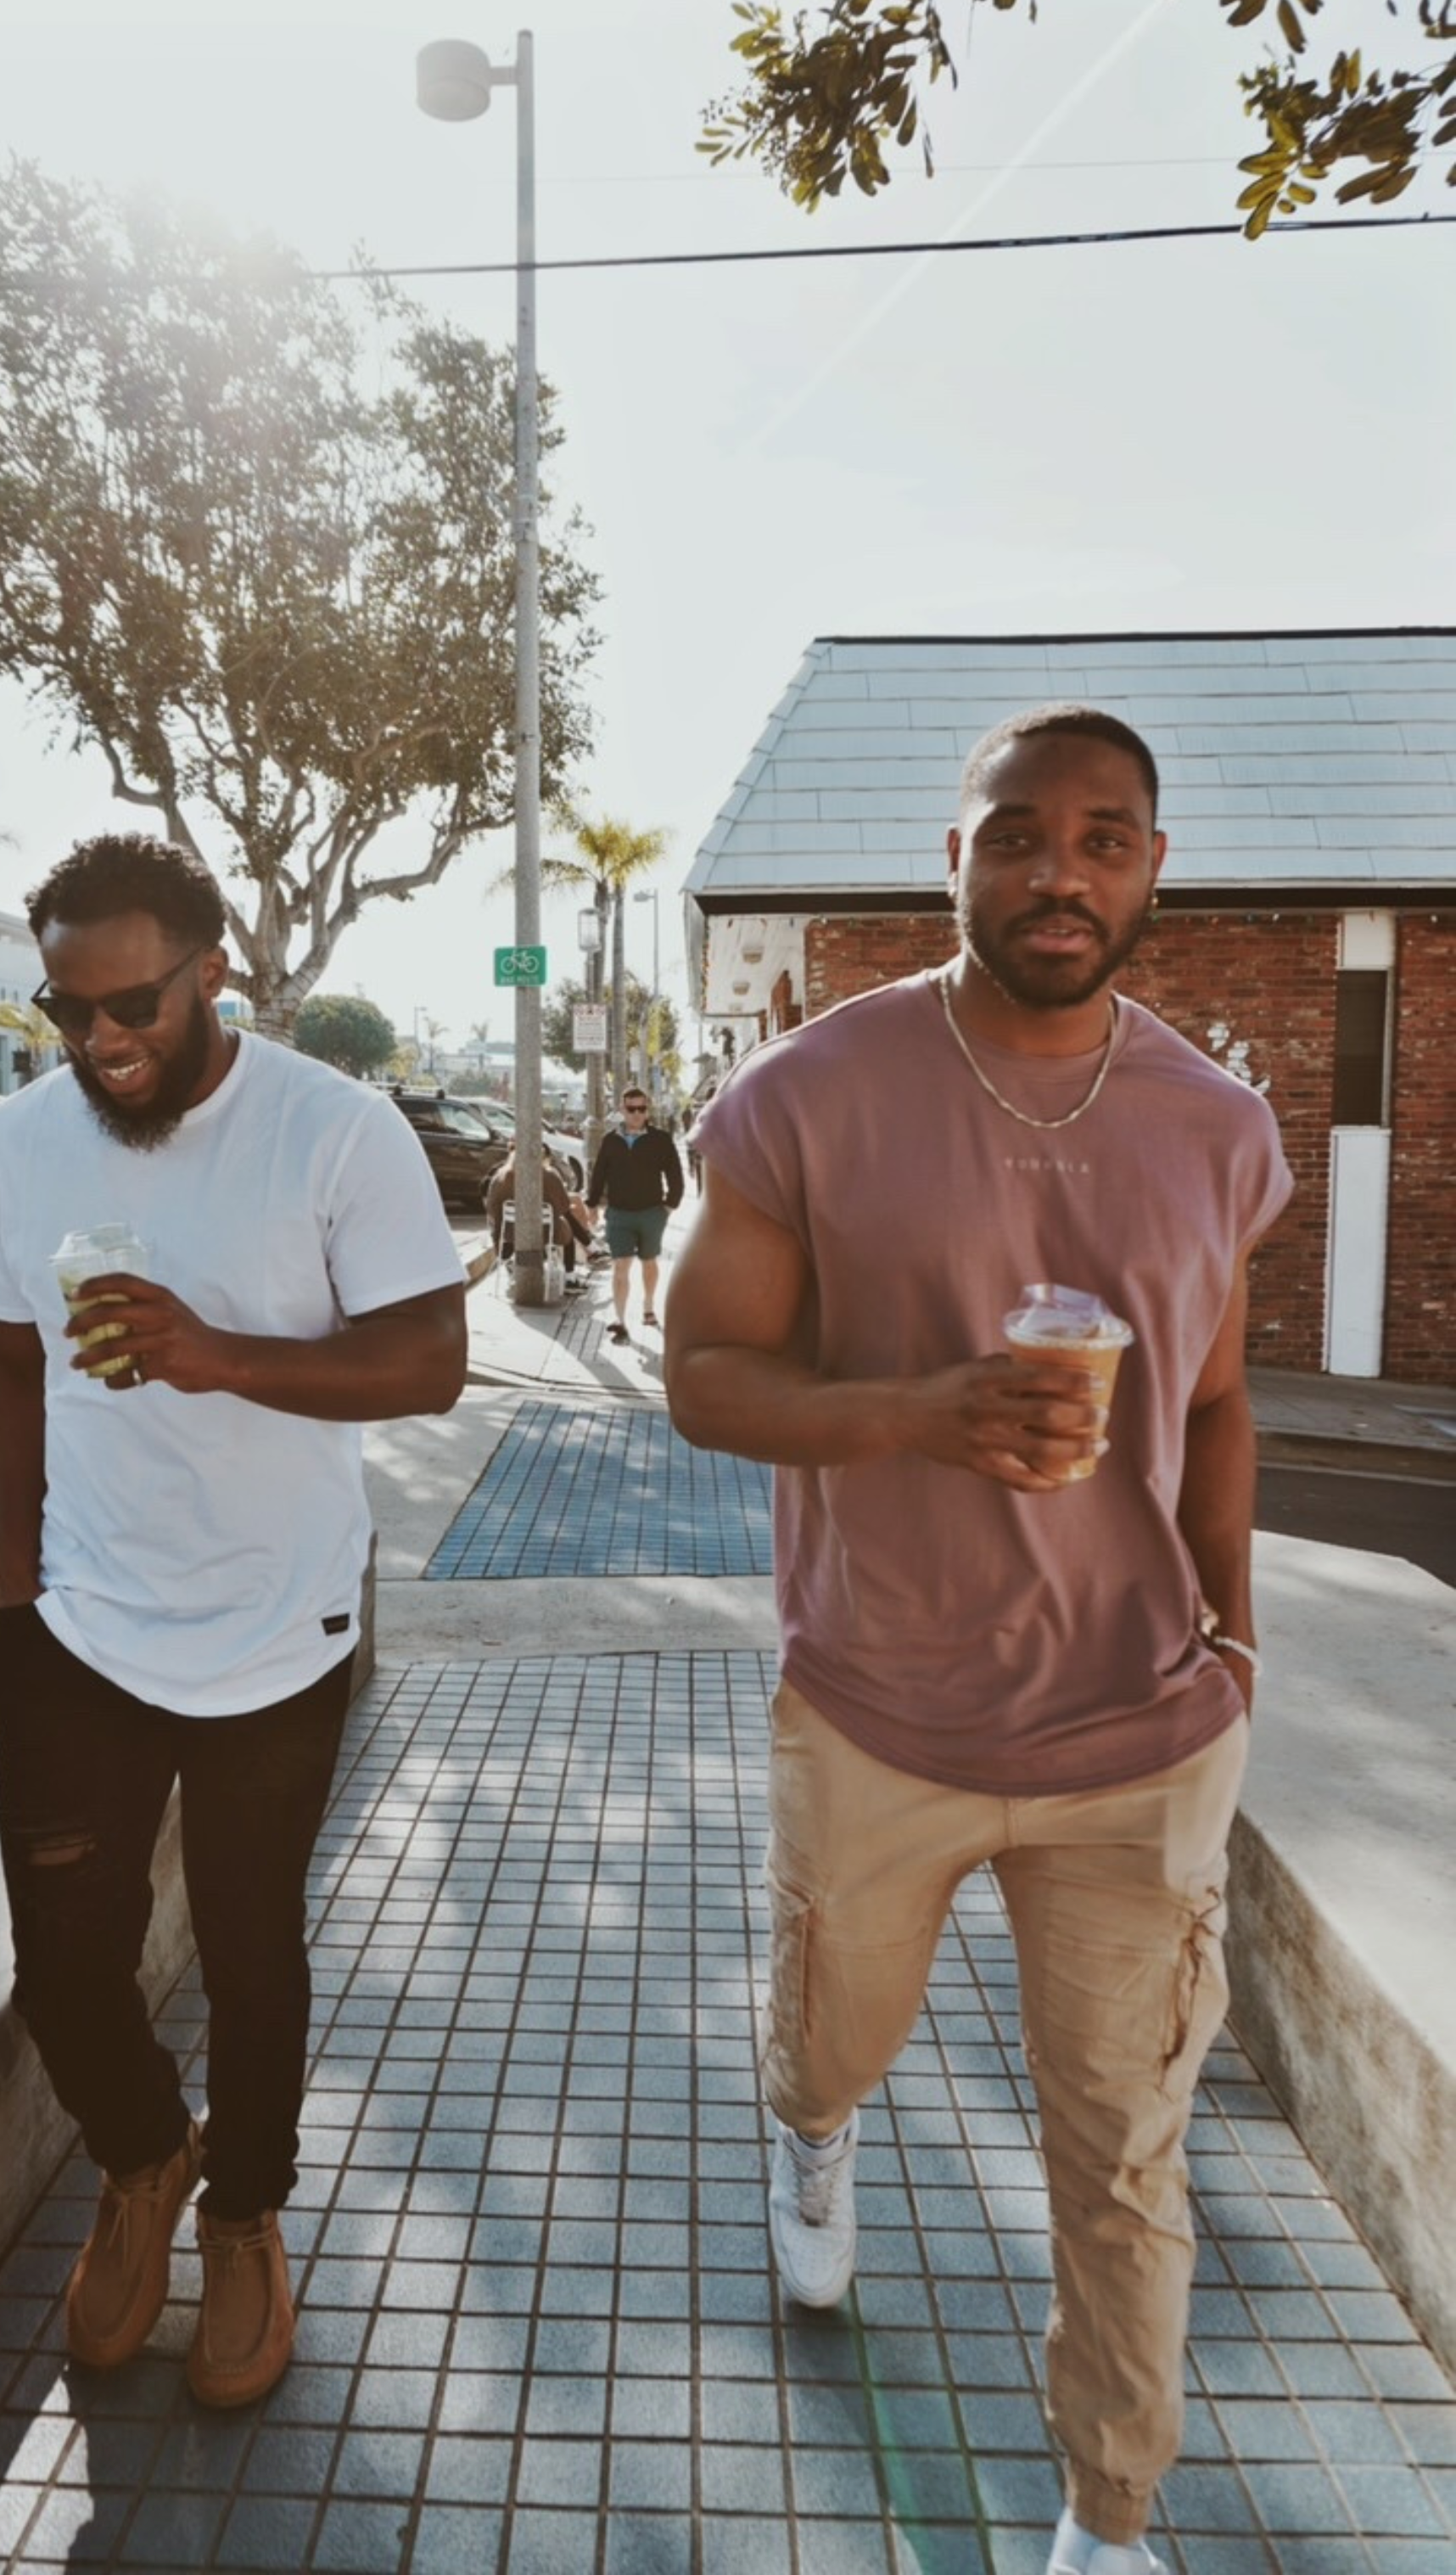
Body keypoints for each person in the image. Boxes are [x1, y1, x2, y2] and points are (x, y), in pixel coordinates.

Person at [664, 707, 1291, 2575]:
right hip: (880, 1713)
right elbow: (704, 1376)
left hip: (1140, 1740)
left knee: (1122, 2158)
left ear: (1152, 868)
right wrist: (929, 1410)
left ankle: (1107, 2520)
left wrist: (1237, 1634)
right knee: (830, 2042)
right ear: (954, 856)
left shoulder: (1220, 1121)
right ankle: (811, 2130)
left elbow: (1229, 1392)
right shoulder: (806, 1094)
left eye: (1104, 838)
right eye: (1017, 834)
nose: (1060, 872)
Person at [0, 833, 467, 2410]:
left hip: (274, 1623)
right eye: (70, 1009)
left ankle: (244, 2216)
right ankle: (143, 2164)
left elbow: (428, 1362)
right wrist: (15, 1585)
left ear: (213, 972)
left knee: (253, 1960)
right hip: (78, 1627)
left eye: (136, 1004)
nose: (104, 1040)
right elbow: (3, 1359)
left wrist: (218, 1354)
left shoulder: (336, 1130)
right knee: (63, 1966)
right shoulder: (18, 1143)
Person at [585, 1087, 685, 1344]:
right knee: (621, 1265)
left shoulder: (661, 1140)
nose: (637, 1114)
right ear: (622, 1110)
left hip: (652, 1213)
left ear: (647, 1110)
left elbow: (675, 1175)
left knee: (649, 1262)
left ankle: (649, 1307)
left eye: (642, 1109)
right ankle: (620, 1320)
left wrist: (669, 1207)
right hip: (619, 1215)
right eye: (632, 1109)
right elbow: (599, 1175)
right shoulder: (610, 1140)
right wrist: (592, 1204)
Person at [484, 1142, 590, 1289]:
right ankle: (570, 1278)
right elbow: (564, 1206)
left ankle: (511, 1263)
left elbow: (490, 1208)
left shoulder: (500, 1177)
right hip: (546, 1234)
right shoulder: (549, 1176)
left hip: (508, 1234)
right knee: (567, 1230)